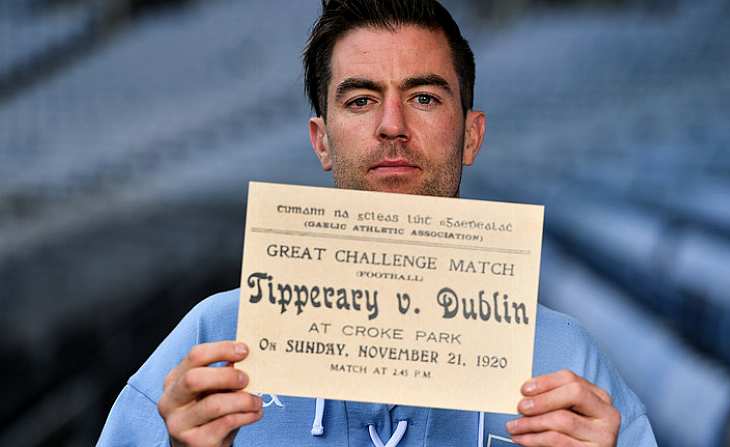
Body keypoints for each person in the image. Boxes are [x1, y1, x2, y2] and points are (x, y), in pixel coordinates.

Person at [98, 1, 657, 446]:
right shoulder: (213, 345)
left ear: (471, 135)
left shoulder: (567, 363)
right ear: (321, 140)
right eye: (362, 100)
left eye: (424, 97)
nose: (393, 125)